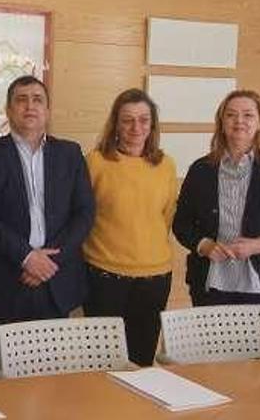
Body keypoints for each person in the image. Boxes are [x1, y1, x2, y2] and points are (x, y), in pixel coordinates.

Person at [0, 75, 95, 380]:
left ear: (48, 110)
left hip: (55, 280)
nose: (29, 106)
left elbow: (85, 212)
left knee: (50, 375)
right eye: (21, 100)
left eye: (37, 99)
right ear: (9, 110)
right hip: (2, 279)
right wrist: (27, 257)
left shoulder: (70, 154)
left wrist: (49, 262)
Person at [173, 90, 260, 325]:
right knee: (212, 358)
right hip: (210, 283)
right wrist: (204, 246)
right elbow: (181, 223)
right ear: (221, 123)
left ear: (259, 122)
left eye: (248, 115)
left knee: (252, 360)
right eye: (231, 115)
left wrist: (259, 245)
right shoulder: (201, 169)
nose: (239, 121)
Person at [82, 88, 177, 366]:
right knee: (103, 362)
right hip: (104, 276)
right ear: (116, 123)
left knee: (142, 360)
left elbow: (166, 215)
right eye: (128, 120)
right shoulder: (96, 161)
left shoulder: (166, 165)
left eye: (144, 120)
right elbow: (83, 216)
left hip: (155, 277)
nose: (136, 127)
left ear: (152, 125)